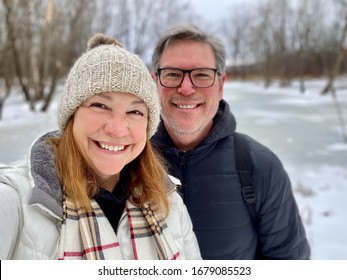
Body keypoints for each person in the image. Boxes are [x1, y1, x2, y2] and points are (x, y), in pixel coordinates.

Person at [0, 33, 201, 260]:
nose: (117, 129)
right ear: (72, 115)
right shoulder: (18, 200)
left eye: (135, 111)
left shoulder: (169, 201)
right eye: (99, 105)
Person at [150, 25, 310, 260]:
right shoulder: (125, 161)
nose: (185, 88)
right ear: (155, 82)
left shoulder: (258, 166)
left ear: (221, 85)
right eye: (172, 74)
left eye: (202, 74)